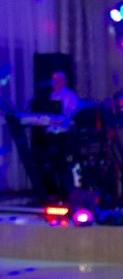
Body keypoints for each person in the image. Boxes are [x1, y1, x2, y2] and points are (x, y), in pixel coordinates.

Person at [41, 71, 80, 200]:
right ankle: (53, 192)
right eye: (54, 80)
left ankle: (66, 192)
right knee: (51, 164)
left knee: (63, 164)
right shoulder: (52, 95)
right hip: (52, 133)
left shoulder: (69, 95)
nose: (55, 83)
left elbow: (70, 114)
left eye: (58, 80)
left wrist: (61, 118)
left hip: (64, 134)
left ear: (64, 81)